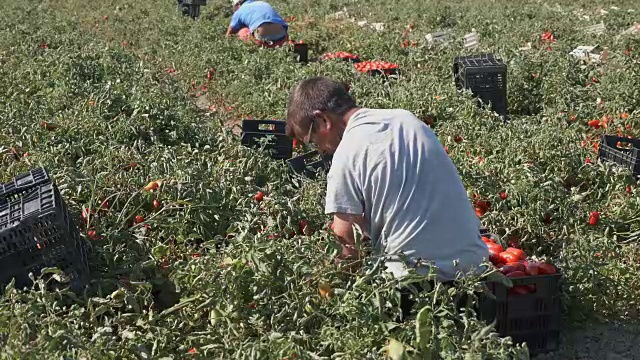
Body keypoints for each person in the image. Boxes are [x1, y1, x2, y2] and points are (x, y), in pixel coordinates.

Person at [284, 76, 490, 317]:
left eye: (311, 139)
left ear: (322, 119)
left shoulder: (346, 153)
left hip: (413, 285)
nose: (318, 149)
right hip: (476, 275)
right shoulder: (407, 119)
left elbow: (345, 243)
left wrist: (333, 291)